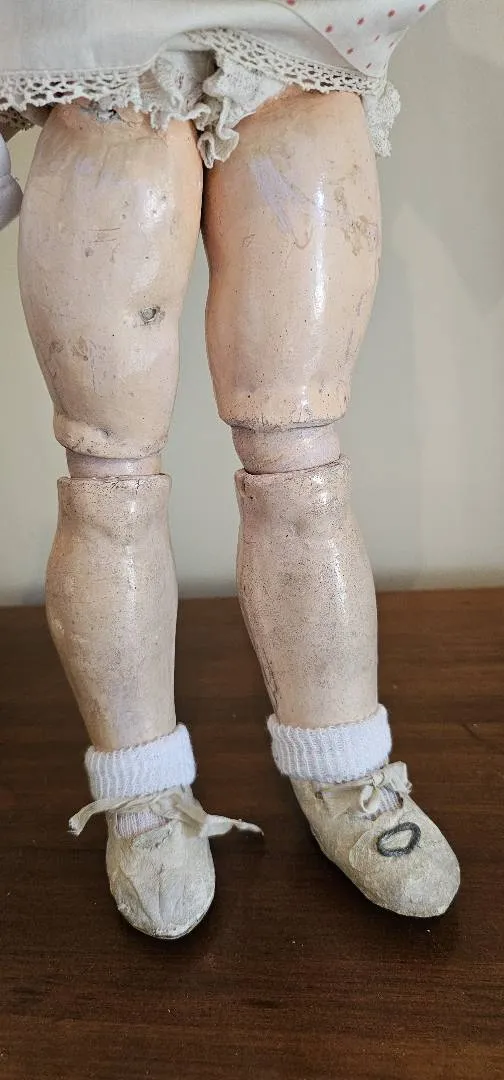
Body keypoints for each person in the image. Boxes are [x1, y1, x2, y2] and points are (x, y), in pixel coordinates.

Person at [0, 1, 459, 939]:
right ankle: (141, 787)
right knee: (108, 469)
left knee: (299, 455)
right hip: (102, 55)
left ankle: (344, 766)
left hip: (308, 45)